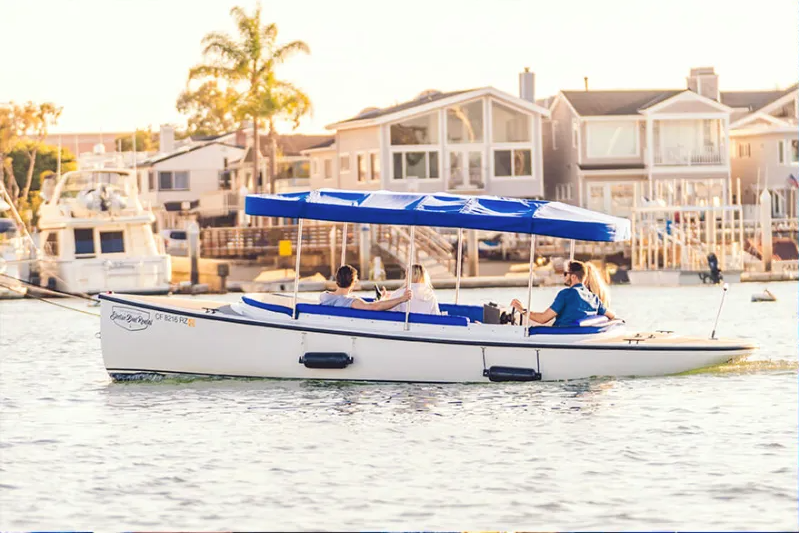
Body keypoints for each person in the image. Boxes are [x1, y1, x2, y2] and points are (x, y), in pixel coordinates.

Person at [510, 260, 615, 326]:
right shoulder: (594, 298)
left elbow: (543, 319)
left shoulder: (566, 294)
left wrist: (522, 310)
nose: (563, 276)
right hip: (581, 336)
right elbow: (612, 315)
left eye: (565, 274)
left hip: (560, 337)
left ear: (573, 277)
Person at [320, 264, 411, 311]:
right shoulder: (351, 302)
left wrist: (382, 299)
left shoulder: (324, 296)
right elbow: (374, 307)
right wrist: (402, 299)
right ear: (353, 283)